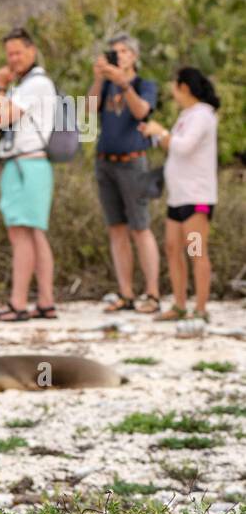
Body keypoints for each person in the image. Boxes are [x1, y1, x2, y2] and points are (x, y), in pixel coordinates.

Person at [0, 27, 58, 322]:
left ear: (32, 50)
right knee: (33, 233)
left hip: (26, 164)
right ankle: (45, 301)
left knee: (21, 233)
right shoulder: (27, 85)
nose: (12, 59)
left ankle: (18, 303)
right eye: (9, 54)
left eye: (17, 53)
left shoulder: (35, 84)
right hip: (25, 164)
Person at [89, 33, 161, 314]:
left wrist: (123, 83)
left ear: (134, 56)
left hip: (133, 162)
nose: (117, 56)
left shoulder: (144, 84)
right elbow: (88, 109)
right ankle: (125, 292)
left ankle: (152, 293)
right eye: (113, 52)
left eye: (122, 51)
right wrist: (99, 78)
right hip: (105, 161)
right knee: (116, 228)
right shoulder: (105, 86)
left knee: (140, 227)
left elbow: (142, 111)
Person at [142, 67, 219, 323]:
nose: (172, 93)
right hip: (178, 198)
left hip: (197, 199)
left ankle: (201, 307)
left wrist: (160, 132)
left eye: (174, 87)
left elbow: (184, 146)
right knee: (173, 248)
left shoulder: (203, 116)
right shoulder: (186, 115)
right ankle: (179, 304)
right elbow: (174, 145)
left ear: (184, 87)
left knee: (196, 250)